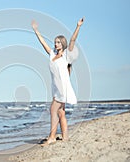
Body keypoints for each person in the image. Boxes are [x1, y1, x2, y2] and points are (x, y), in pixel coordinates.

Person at [31, 17, 84, 146]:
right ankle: (65, 137)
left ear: (63, 44)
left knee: (53, 110)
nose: (56, 44)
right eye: (55, 42)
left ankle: (52, 137)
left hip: (62, 88)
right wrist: (36, 31)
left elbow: (73, 40)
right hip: (55, 87)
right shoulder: (52, 55)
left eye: (59, 42)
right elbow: (43, 43)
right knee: (61, 112)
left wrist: (78, 26)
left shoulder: (66, 55)